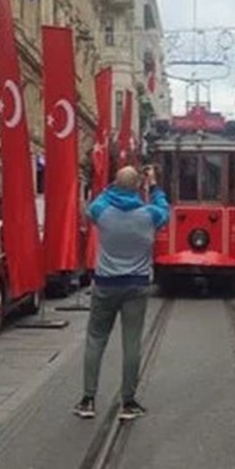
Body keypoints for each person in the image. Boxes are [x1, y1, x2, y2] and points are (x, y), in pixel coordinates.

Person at [74, 166, 170, 422]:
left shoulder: (102, 211)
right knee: (132, 343)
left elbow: (95, 203)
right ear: (138, 186)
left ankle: (87, 399)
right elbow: (165, 208)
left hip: (105, 284)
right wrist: (154, 186)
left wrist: (114, 185)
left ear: (116, 185)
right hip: (136, 285)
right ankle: (128, 402)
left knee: (95, 340)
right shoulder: (150, 214)